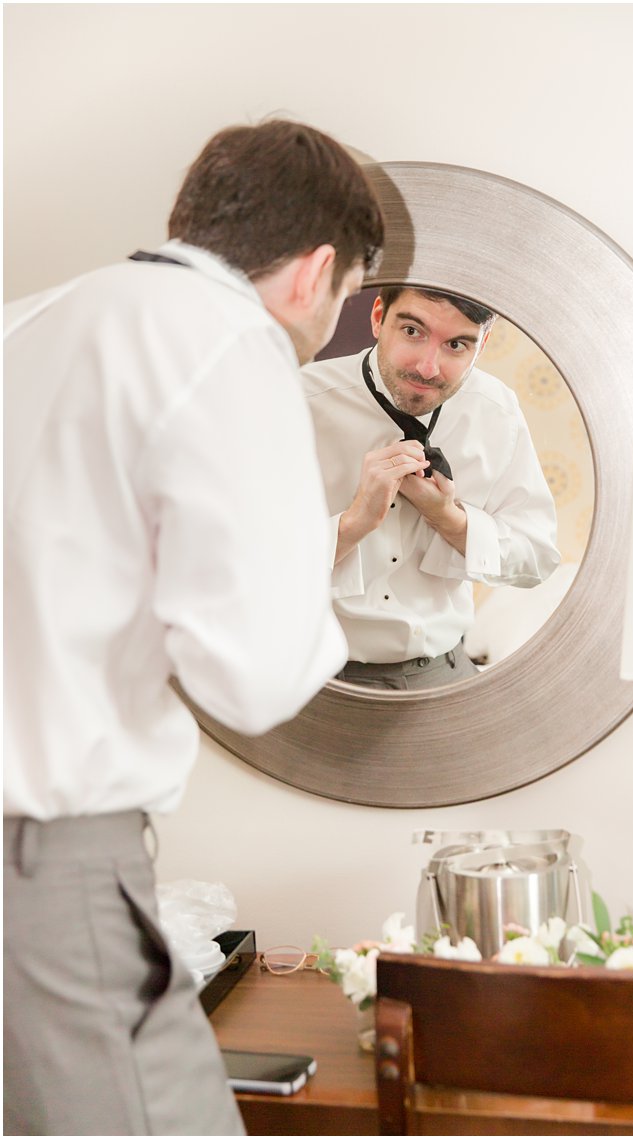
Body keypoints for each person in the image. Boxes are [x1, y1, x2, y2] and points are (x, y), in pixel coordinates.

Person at [3, 120, 384, 1135]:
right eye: (347, 297)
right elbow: (252, 678)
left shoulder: (30, 320)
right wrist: (326, 534)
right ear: (314, 273)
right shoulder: (227, 340)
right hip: (50, 869)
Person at [302, 287, 560, 690]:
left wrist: (451, 521)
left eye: (456, 345)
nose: (427, 367)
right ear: (378, 318)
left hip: (443, 676)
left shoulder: (495, 411)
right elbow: (243, 565)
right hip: (314, 678)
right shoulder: (299, 401)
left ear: (482, 346)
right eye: (411, 331)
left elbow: (537, 559)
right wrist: (353, 524)